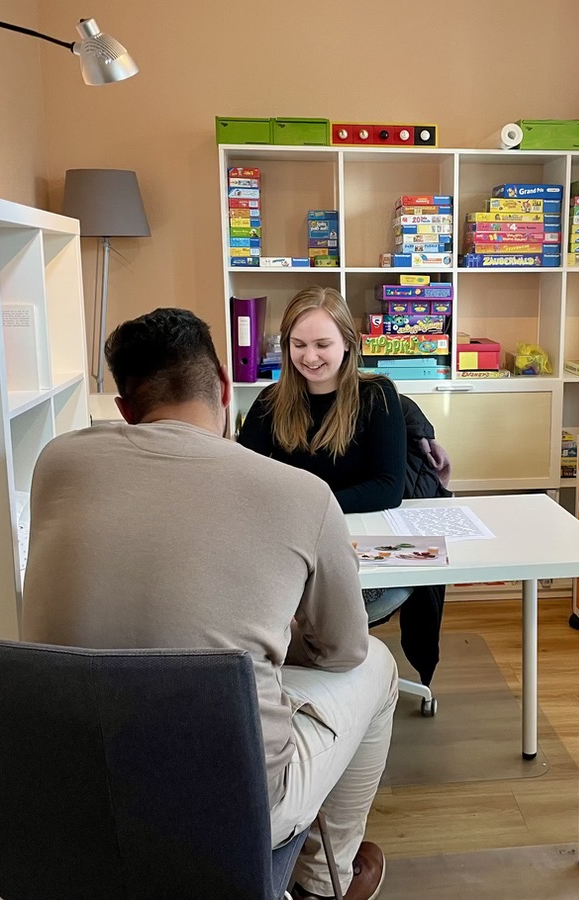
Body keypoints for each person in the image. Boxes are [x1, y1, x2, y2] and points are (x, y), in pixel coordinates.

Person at [20, 307, 397, 900]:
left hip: (72, 789)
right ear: (224, 387)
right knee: (376, 663)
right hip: (231, 803)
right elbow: (343, 649)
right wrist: (276, 635)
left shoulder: (57, 462)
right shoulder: (304, 495)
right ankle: (325, 882)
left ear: (124, 408)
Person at [236, 286, 406, 515]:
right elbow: (243, 477)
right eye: (299, 345)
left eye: (322, 345)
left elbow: (389, 488)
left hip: (355, 525)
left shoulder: (378, 393)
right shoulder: (270, 400)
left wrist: (313, 508)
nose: (310, 357)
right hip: (293, 525)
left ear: (347, 342)